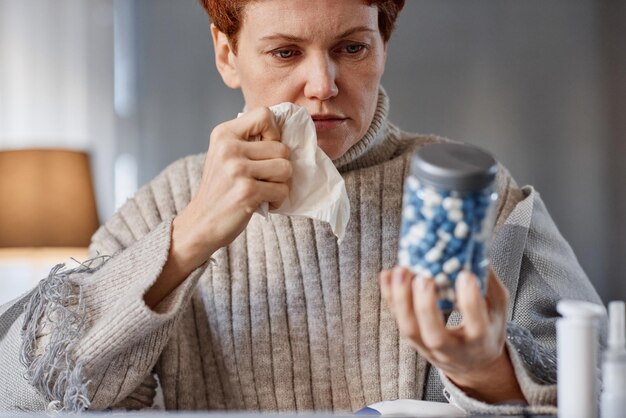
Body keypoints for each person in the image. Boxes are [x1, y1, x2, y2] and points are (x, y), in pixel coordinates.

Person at [0, 0, 603, 414]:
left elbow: (601, 392)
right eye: (286, 53)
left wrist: (486, 374)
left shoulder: (481, 200)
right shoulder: (158, 209)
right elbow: (18, 391)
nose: (322, 84)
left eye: (352, 47)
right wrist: (186, 240)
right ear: (227, 52)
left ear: (383, 44)